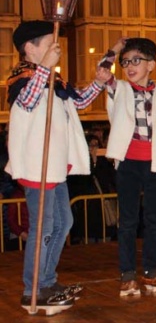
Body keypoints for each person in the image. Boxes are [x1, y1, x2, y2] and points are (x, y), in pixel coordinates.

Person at [7, 20, 111, 313]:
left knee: (63, 223)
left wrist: (99, 82)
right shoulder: (21, 79)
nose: (57, 49)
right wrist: (44, 70)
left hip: (55, 165)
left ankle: (47, 281)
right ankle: (33, 289)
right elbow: (27, 101)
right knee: (44, 228)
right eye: (48, 43)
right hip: (37, 164)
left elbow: (76, 103)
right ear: (30, 48)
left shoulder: (52, 78)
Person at [101, 37, 156, 296]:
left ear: (151, 64)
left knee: (154, 219)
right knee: (127, 220)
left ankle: (151, 271)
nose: (129, 66)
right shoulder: (120, 88)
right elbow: (104, 72)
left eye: (136, 60)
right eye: (126, 62)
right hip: (127, 162)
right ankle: (127, 273)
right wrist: (114, 50)